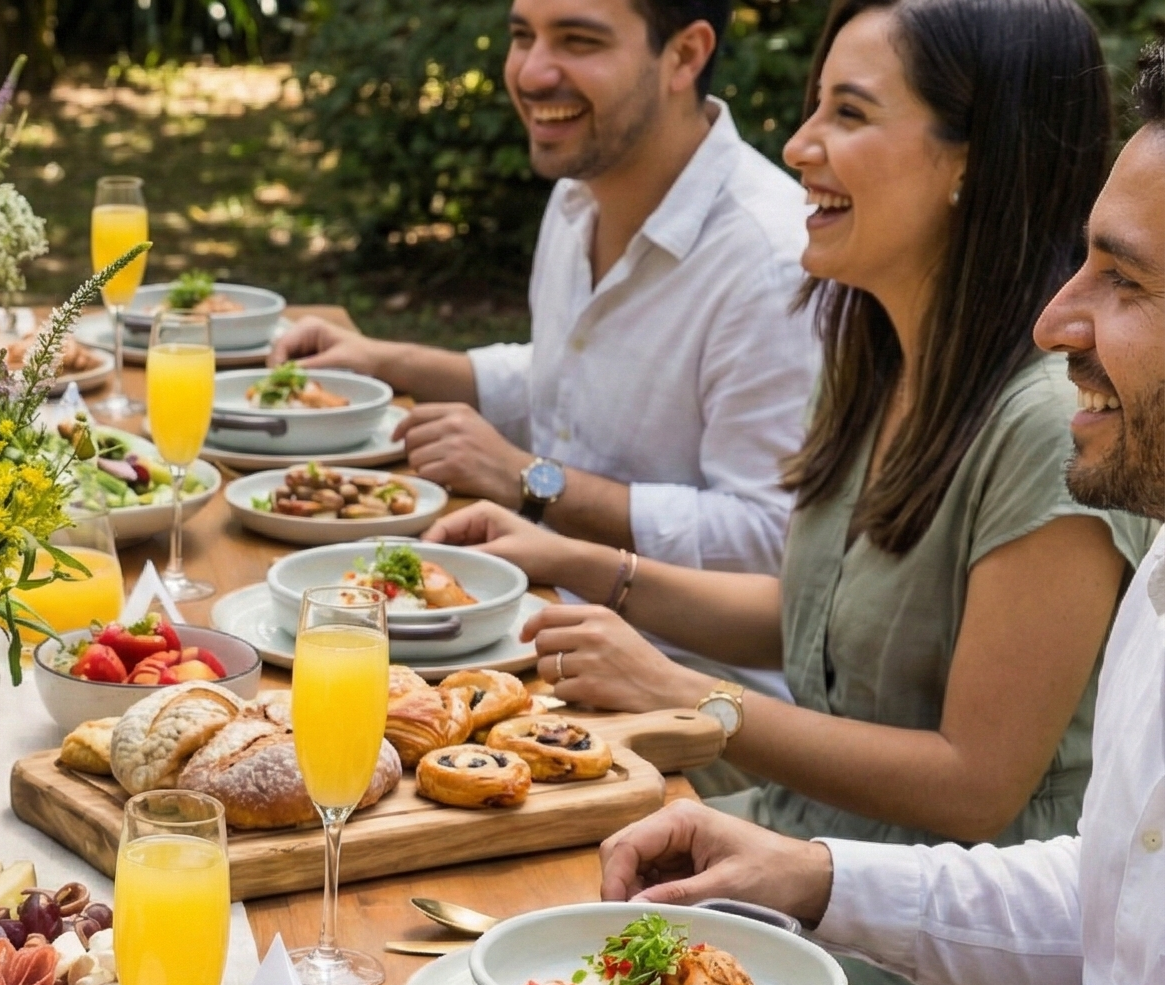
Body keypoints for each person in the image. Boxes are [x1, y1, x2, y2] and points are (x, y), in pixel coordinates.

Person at [431, 0, 1146, 985]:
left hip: (943, 981)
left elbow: (974, 777)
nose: (797, 145)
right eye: (812, 105)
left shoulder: (1048, 426)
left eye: (846, 113)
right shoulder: (874, 347)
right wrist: (575, 559)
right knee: (476, 932)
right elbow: (816, 616)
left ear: (973, 161)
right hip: (788, 856)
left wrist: (688, 700)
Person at [590, 36, 1165, 985]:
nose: (1058, 321)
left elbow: (981, 785)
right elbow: (1115, 889)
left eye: (1130, 285)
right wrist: (816, 877)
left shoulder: (1043, 439)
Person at [276, 0, 819, 653]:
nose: (531, 73)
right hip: (534, 616)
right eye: (521, 35)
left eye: (577, 41)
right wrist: (382, 360)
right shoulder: (580, 191)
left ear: (684, 55)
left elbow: (771, 540)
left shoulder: (775, 263)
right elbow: (570, 374)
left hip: (687, 684)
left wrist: (534, 483)